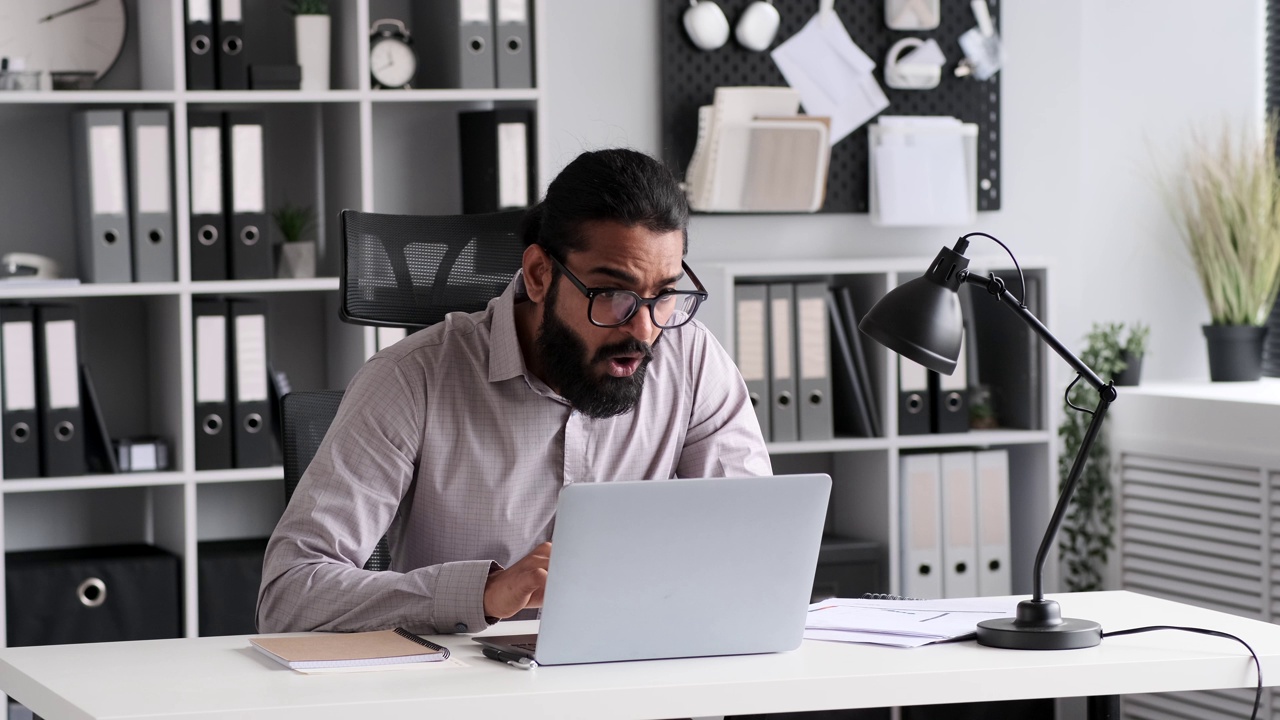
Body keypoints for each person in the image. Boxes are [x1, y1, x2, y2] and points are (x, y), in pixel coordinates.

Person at [256, 148, 772, 635]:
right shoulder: (411, 380)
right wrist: (482, 595)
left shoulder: (693, 359)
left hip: (633, 682)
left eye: (664, 295)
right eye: (613, 295)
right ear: (539, 273)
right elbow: (289, 597)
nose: (643, 331)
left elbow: (758, 551)